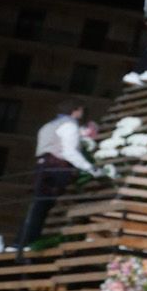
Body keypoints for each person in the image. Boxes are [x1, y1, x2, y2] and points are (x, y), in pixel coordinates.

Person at [19, 102, 95, 247]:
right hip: (56, 167)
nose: (82, 114)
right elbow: (69, 151)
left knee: (38, 205)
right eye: (81, 110)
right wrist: (89, 167)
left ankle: (22, 241)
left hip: (42, 165)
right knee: (42, 206)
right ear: (76, 111)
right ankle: (27, 242)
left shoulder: (49, 125)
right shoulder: (70, 125)